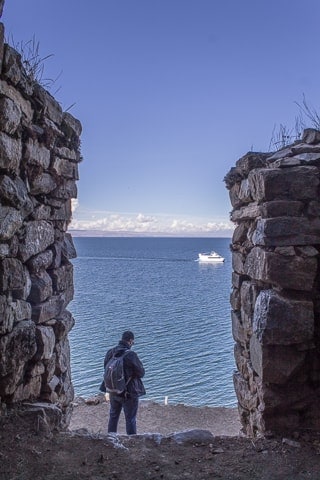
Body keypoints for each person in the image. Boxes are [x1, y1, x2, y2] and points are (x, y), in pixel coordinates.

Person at [101, 330, 145, 435]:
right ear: (130, 341)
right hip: (128, 392)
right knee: (130, 419)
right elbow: (141, 373)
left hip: (113, 390)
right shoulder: (131, 355)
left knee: (113, 416)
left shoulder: (110, 352)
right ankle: (132, 441)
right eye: (133, 342)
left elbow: (105, 369)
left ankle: (111, 438)